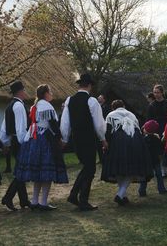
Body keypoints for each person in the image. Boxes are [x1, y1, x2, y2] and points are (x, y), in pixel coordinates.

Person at [15, 85, 68, 211]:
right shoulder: (46, 106)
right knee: (46, 172)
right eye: (50, 92)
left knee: (38, 172)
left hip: (34, 140)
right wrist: (60, 137)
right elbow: (53, 125)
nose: (51, 94)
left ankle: (34, 201)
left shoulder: (36, 105)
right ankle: (43, 202)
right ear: (45, 93)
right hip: (45, 140)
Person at [61, 73, 107, 211]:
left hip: (76, 138)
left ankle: (75, 196)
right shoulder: (92, 101)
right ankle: (81, 199)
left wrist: (64, 138)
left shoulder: (69, 100)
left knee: (87, 167)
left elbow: (65, 122)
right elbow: (99, 124)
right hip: (88, 138)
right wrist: (103, 138)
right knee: (90, 168)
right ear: (89, 85)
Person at [101, 100, 152, 206]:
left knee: (120, 169)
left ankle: (120, 194)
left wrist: (106, 145)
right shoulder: (132, 114)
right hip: (135, 140)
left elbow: (108, 131)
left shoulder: (110, 115)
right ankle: (122, 195)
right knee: (132, 169)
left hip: (118, 141)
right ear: (124, 106)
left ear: (113, 108)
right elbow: (138, 128)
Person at [0, 81, 31, 211]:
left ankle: (24, 200)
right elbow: (20, 127)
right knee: (21, 172)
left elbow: (4, 127)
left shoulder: (10, 106)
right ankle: (8, 197)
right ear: (20, 91)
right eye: (23, 90)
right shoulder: (18, 106)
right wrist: (24, 142)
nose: (25, 92)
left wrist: (5, 142)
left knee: (21, 172)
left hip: (14, 140)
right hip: (19, 141)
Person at [147, 85, 167, 177]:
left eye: (157, 92)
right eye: (154, 92)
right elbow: (149, 120)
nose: (156, 94)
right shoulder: (151, 105)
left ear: (162, 92)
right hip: (156, 129)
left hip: (166, 126)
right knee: (159, 150)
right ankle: (162, 170)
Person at [138, 120, 167, 197]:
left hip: (146, 161)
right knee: (159, 175)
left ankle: (142, 190)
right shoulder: (156, 139)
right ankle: (161, 189)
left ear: (147, 129)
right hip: (155, 160)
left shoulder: (143, 139)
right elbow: (161, 149)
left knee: (144, 176)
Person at [96, 94, 111, 164]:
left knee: (105, 142)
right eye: (98, 98)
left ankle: (107, 157)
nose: (99, 99)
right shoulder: (96, 107)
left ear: (104, 100)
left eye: (100, 98)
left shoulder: (106, 107)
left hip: (104, 126)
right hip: (98, 127)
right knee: (99, 143)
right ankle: (101, 158)